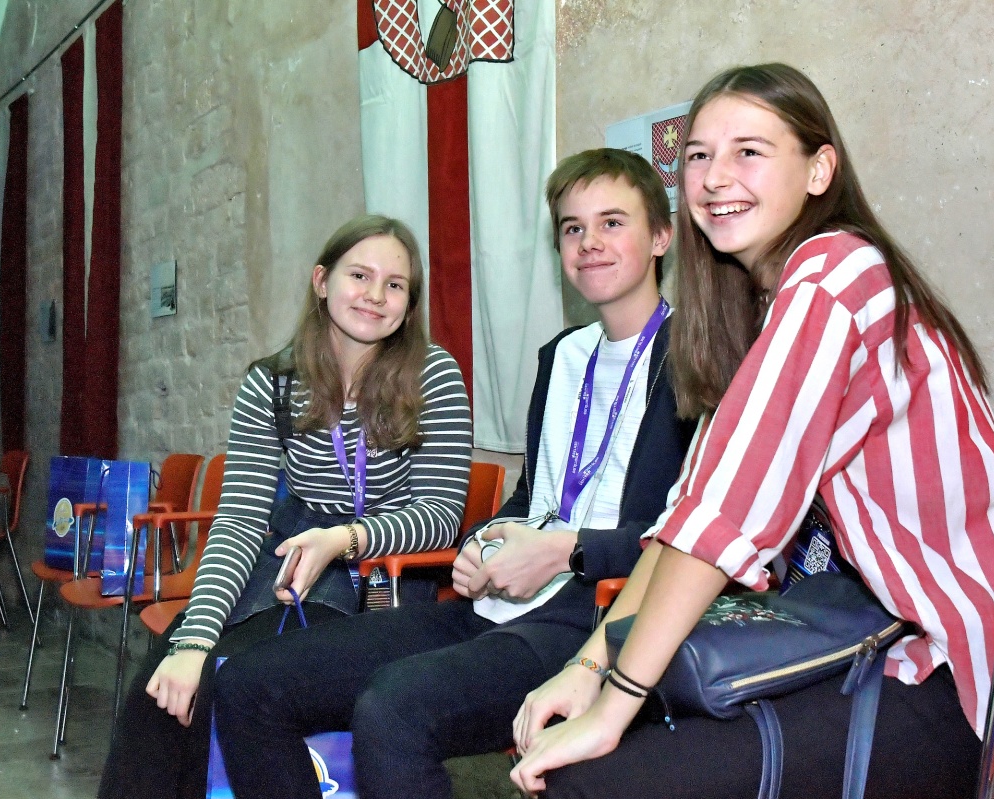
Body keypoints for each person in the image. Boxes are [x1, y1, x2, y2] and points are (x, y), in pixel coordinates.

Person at [511, 63, 994, 799]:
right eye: (698, 155)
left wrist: (615, 703)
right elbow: (687, 516)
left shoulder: (837, 272)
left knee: (600, 778)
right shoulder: (760, 308)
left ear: (819, 169)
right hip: (864, 634)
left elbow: (723, 520)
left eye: (749, 151)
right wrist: (588, 669)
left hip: (963, 666)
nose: (714, 177)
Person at [210, 148, 696, 799]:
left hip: (595, 616)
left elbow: (691, 538)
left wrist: (565, 551)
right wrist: (481, 543)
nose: (588, 243)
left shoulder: (695, 359)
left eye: (612, 222)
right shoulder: (562, 355)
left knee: (392, 710)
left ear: (661, 236)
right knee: (249, 684)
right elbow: (533, 497)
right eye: (572, 227)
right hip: (496, 603)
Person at [98, 214, 473, 799]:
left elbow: (441, 516)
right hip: (286, 551)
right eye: (360, 275)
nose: (376, 295)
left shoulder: (433, 376)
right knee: (161, 690)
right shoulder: (272, 382)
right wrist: (193, 640)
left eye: (395, 284)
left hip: (385, 571)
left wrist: (345, 540)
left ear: (409, 304)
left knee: (230, 686)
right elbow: (241, 519)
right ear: (322, 281)